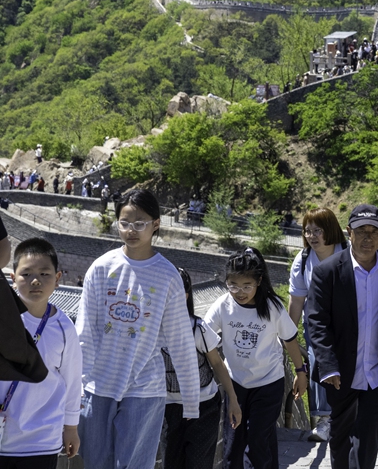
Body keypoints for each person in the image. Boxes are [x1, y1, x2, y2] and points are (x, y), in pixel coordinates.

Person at [77, 189, 201, 469]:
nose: (131, 230)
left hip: (145, 385)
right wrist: (78, 384)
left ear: (156, 224)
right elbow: (85, 332)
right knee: (96, 462)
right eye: (124, 223)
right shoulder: (101, 268)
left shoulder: (168, 275)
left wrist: (191, 400)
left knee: (134, 464)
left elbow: (181, 340)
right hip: (99, 382)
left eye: (140, 223)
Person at [307, 205, 378, 469]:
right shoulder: (327, 271)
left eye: (374, 232)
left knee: (368, 436)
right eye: (361, 231)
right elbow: (317, 322)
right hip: (341, 372)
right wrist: (328, 364)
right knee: (340, 436)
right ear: (349, 232)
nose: (368, 238)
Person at [205, 248, 308, 469]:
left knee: (257, 441)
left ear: (258, 282)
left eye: (246, 286)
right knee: (233, 445)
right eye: (233, 285)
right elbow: (203, 335)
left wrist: (300, 372)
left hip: (268, 383)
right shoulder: (223, 305)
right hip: (236, 384)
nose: (239, 292)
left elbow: (290, 340)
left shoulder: (272, 307)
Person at [0, 238, 82, 466]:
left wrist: (71, 427)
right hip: (4, 437)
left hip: (42, 438)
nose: (35, 280)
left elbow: (72, 381)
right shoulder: (3, 318)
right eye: (26, 274)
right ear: (13, 278)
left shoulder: (65, 327)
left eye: (44, 274)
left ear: (57, 278)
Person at [163, 267, 242, 469]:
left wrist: (233, 400)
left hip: (203, 405)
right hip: (168, 407)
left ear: (186, 295)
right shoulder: (153, 330)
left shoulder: (197, 329)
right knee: (171, 464)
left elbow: (217, 364)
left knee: (198, 464)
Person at [286, 208, 348, 443]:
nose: (311, 236)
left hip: (348, 323)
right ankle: (325, 420)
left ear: (330, 230)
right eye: (307, 231)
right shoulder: (303, 260)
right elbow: (296, 301)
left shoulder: (349, 253)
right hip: (316, 325)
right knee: (319, 364)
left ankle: (350, 417)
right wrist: (288, 334)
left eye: (317, 231)